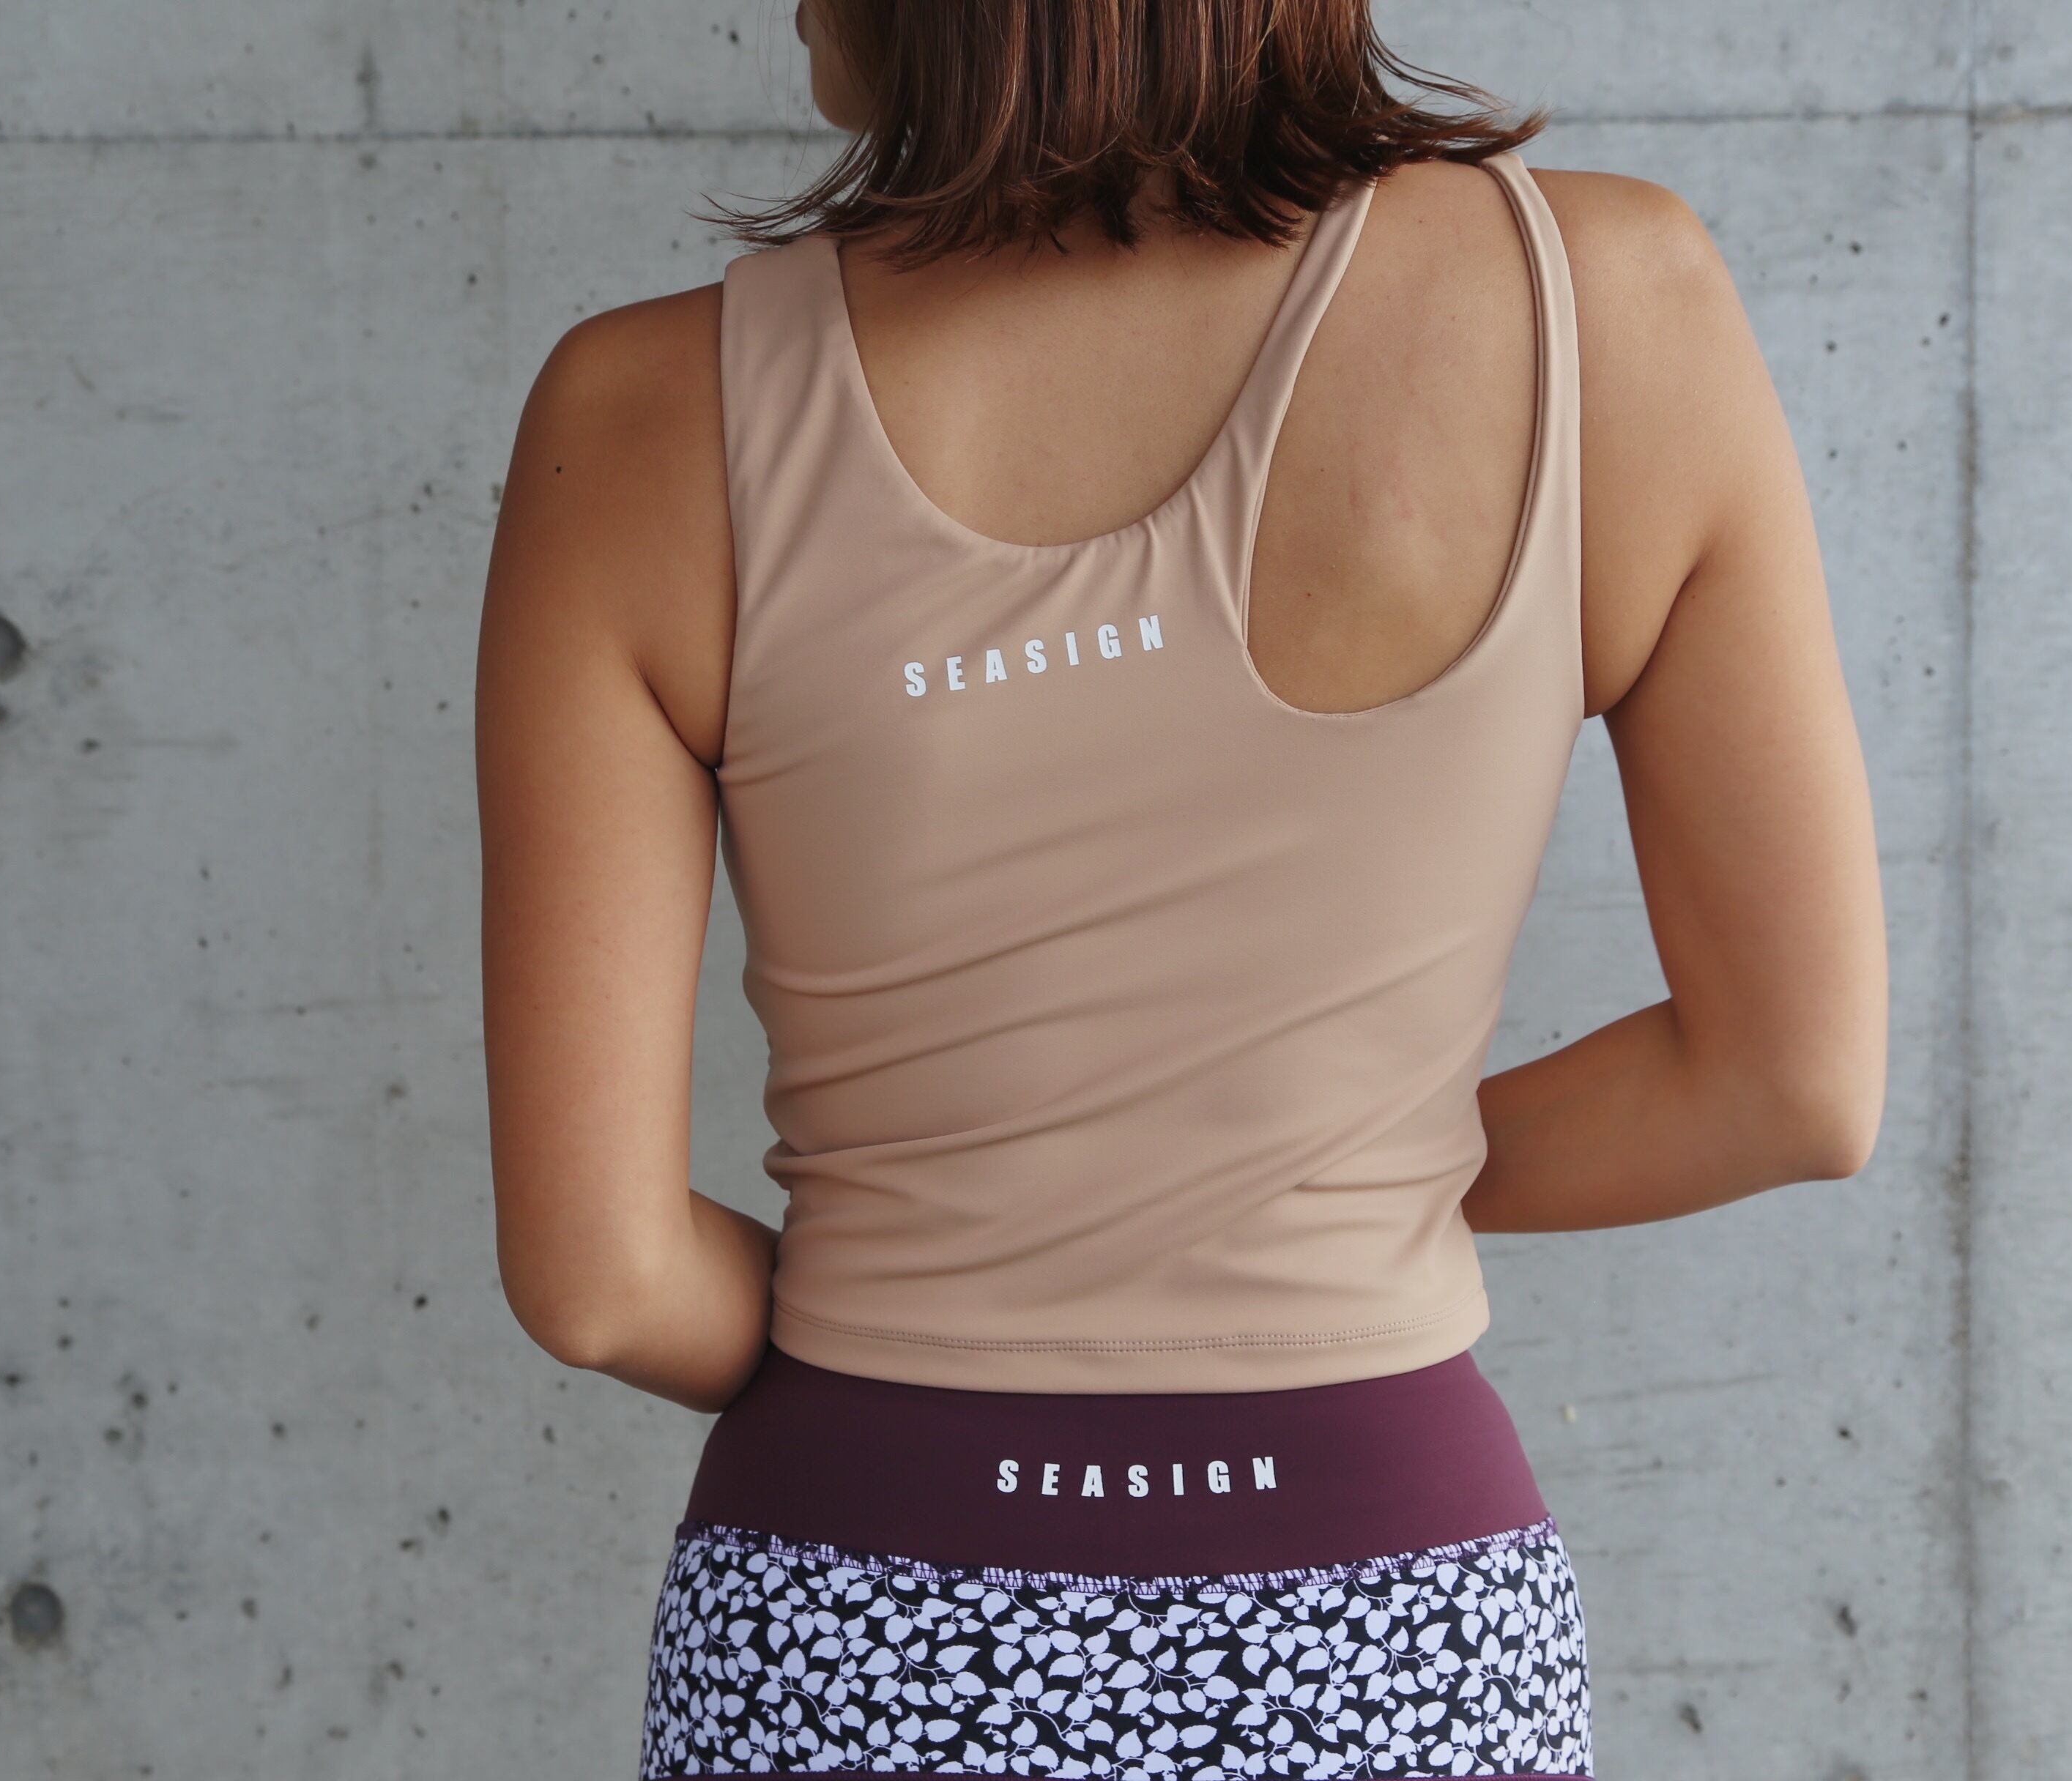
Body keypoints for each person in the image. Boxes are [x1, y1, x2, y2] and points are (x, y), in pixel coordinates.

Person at [473, 1, 1888, 1774]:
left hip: (853, 1613)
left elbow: (600, 1280)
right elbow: (1788, 1084)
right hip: (1398, 1631)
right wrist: (1309, 1185)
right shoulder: (1614, 305)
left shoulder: (638, 419)